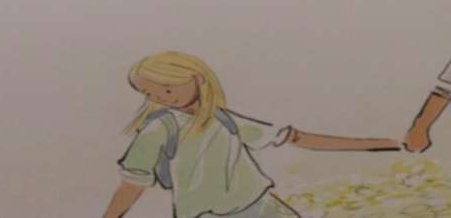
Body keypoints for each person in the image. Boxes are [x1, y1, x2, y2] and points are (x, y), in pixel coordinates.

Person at [103, 51, 396, 218]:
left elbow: (295, 138)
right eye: (149, 93)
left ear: (198, 79)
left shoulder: (223, 119)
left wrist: (381, 145)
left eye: (167, 88)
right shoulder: (158, 128)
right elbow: (132, 183)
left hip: (260, 207)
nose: (161, 97)